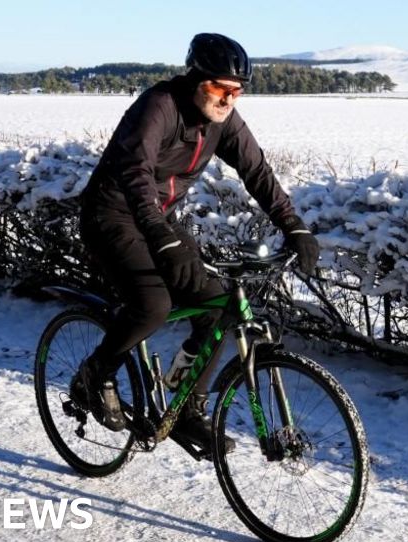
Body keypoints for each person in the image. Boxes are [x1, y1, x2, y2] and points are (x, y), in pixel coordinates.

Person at [73, 33, 320, 449]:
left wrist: (293, 226)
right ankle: (95, 374)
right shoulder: (159, 107)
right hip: (111, 216)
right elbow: (136, 176)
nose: (228, 100)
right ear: (196, 78)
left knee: (216, 307)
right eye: (220, 89)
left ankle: (188, 409)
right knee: (153, 305)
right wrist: (162, 240)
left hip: (160, 219)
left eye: (237, 92)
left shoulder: (225, 122)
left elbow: (257, 172)